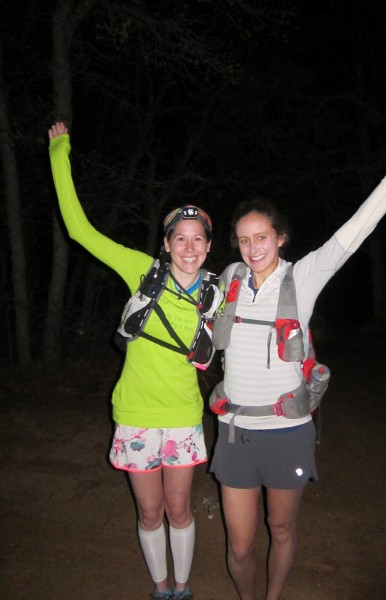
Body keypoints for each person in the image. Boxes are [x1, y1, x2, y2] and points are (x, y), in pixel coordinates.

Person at [209, 117, 386, 600]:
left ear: (280, 237)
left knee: (281, 529)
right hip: (236, 432)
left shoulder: (303, 276)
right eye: (244, 239)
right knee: (241, 546)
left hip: (288, 430)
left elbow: (360, 223)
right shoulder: (227, 280)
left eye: (261, 236)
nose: (253, 247)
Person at [48, 121, 217, 600]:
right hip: (137, 415)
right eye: (178, 239)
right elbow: (79, 230)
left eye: (197, 239)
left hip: (184, 416)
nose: (188, 247)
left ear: (209, 247)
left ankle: (182, 589)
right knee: (149, 514)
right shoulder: (141, 270)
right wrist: (60, 152)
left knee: (180, 512)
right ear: (165, 245)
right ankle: (161, 589)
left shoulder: (217, 293)